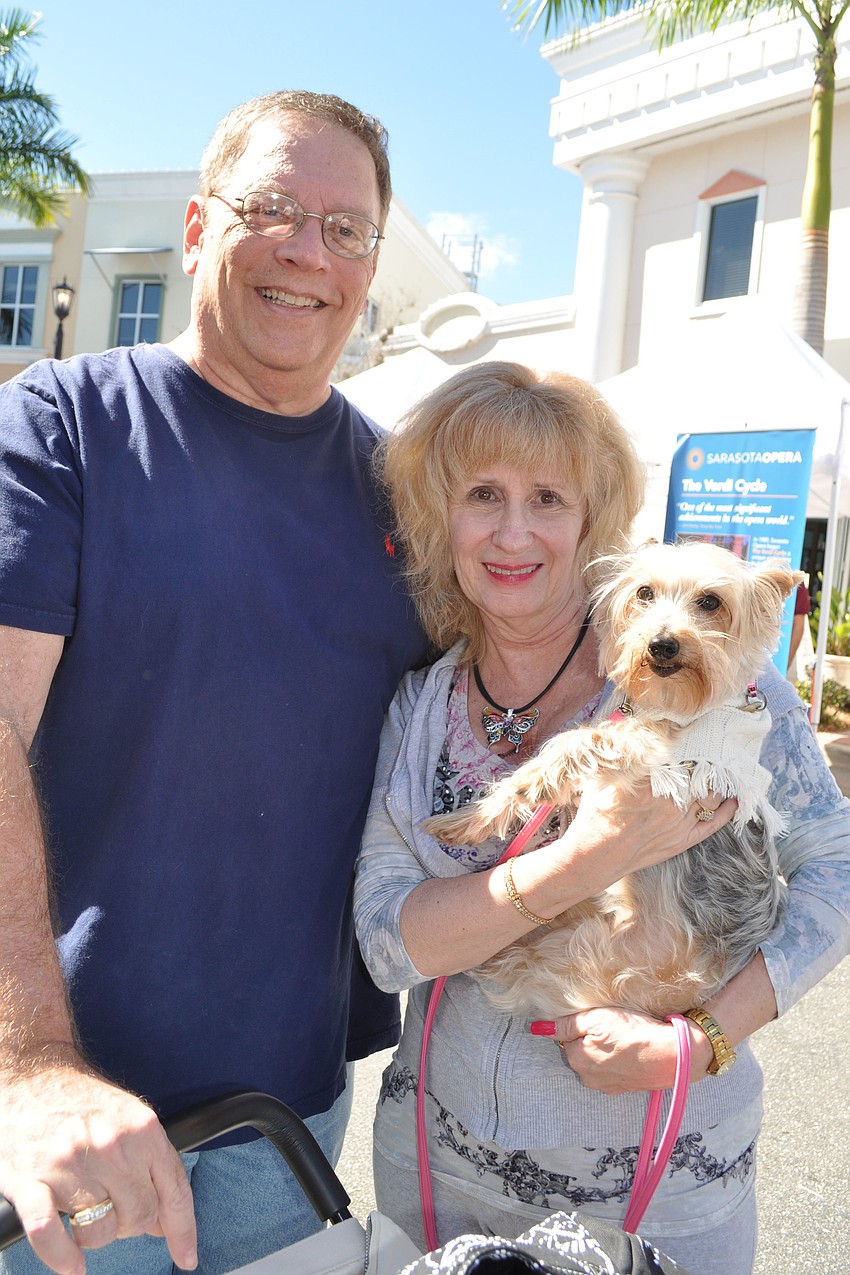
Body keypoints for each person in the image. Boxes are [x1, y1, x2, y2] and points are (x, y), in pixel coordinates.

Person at [0, 91, 427, 1275]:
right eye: (273, 209)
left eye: (347, 229)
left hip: (284, 1128)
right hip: (69, 1135)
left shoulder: (409, 495)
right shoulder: (62, 426)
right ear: (197, 229)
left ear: (372, 265)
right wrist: (28, 1071)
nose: (308, 251)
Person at [353, 361, 850, 1275]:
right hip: (439, 1173)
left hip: (661, 1191)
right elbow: (388, 946)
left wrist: (704, 1036)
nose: (513, 530)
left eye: (548, 496)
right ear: (441, 517)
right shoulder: (419, 707)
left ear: (592, 520)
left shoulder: (723, 687)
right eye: (482, 495)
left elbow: (840, 865)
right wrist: (582, 860)